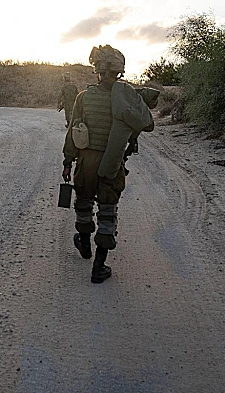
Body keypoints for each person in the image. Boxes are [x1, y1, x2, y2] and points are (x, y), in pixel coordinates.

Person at [62, 45, 155, 283]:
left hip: (86, 161)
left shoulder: (84, 97)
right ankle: (98, 266)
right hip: (112, 162)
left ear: (97, 69)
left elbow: (74, 131)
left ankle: (84, 245)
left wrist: (67, 161)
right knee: (107, 211)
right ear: (120, 71)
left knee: (83, 204)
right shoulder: (128, 100)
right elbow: (142, 125)